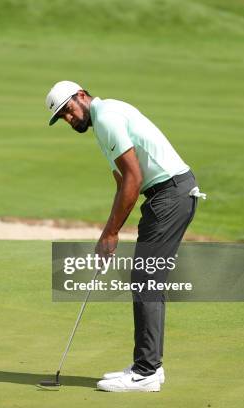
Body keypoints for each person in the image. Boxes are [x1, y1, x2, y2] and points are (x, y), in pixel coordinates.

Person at [45, 81, 206, 392]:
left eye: (68, 110)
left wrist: (112, 231)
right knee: (147, 278)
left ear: (81, 96)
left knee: (145, 278)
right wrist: (109, 234)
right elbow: (123, 184)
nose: (68, 118)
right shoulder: (104, 122)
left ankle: (146, 371)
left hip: (170, 195)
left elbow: (134, 179)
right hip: (167, 196)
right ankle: (149, 367)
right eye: (62, 117)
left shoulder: (106, 117)